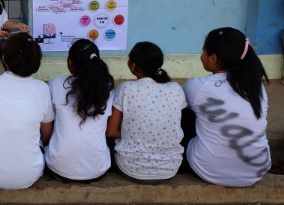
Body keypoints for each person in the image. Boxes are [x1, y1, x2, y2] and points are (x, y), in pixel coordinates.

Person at [182, 27, 271, 187]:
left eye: (204, 52)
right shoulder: (256, 87)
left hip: (208, 170)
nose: (201, 56)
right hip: (257, 171)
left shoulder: (197, 87)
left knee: (185, 114)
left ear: (214, 58)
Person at [0, 32, 54, 189]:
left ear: (3, 59)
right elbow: (46, 134)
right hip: (30, 174)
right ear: (36, 62)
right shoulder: (42, 89)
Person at [106, 41, 186, 184]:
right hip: (170, 168)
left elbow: (111, 132)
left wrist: (134, 133)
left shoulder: (126, 89)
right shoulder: (176, 88)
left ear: (133, 65)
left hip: (131, 168)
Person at [45, 39, 115, 183]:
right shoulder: (108, 91)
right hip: (97, 169)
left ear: (70, 63)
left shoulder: (56, 84)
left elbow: (48, 126)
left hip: (59, 168)